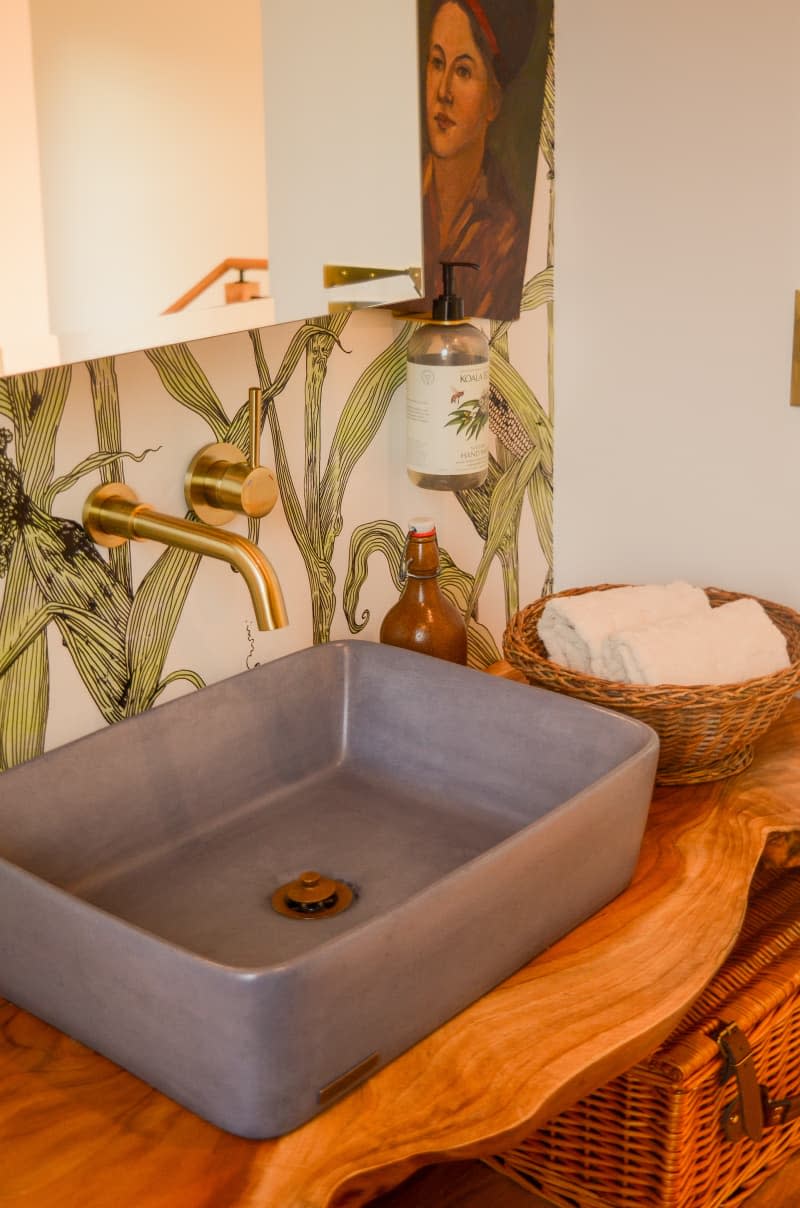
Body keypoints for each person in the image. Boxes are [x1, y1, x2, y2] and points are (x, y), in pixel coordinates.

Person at [414, 0, 542, 321]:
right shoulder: (396, 197)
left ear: (493, 102)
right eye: (437, 62)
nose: (443, 91)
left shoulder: (504, 241)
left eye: (463, 71)